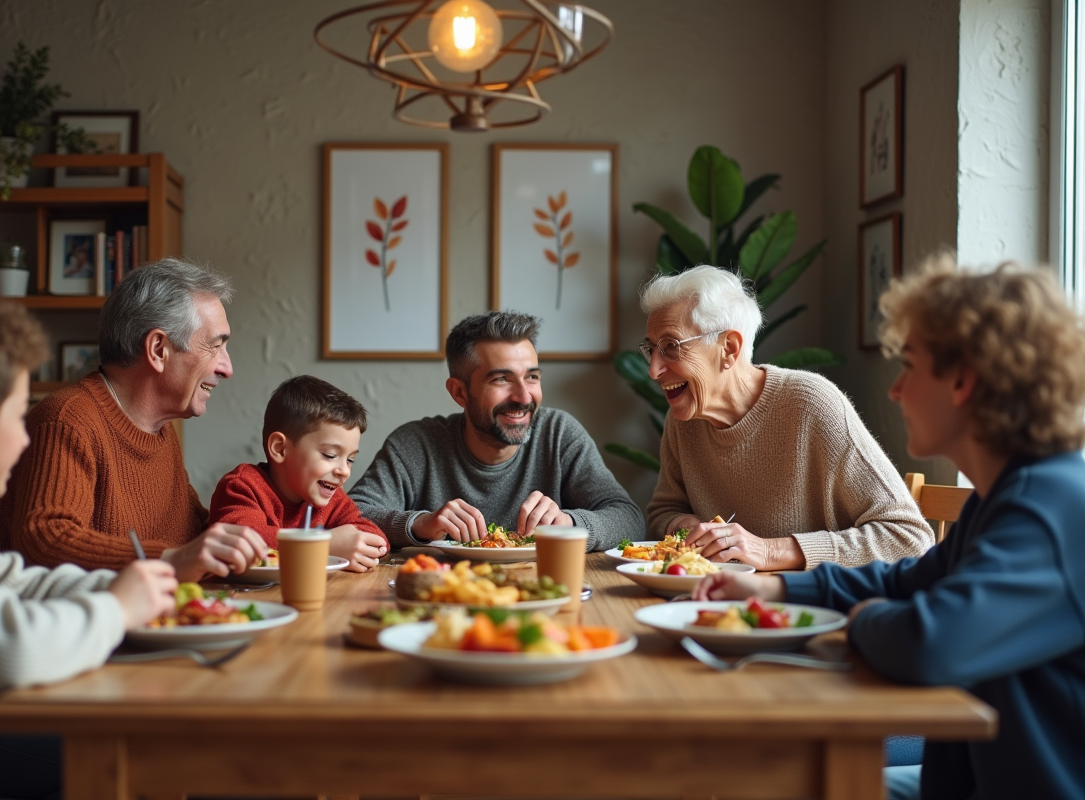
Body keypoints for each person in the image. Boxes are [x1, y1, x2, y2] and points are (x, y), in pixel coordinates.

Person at [696, 256, 1085, 800]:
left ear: (962, 380)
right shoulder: (1006, 495)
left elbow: (930, 644)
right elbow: (910, 580)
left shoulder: (1051, 509)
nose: (896, 390)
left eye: (909, 365)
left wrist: (862, 619)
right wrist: (777, 586)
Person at [0, 291, 178, 800]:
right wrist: (115, 607)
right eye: (19, 416)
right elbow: (7, 646)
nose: (26, 438)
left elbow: (9, 581)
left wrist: (126, 586)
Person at [0, 258, 268, 581]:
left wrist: (292, 533)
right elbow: (45, 539)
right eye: (215, 347)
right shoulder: (66, 421)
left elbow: (194, 532)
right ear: (158, 349)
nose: (226, 368)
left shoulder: (159, 429)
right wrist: (170, 561)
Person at [641, 265, 932, 570]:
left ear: (729, 348)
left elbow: (909, 538)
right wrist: (686, 528)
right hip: (726, 600)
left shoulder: (811, 405)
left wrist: (768, 551)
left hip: (821, 607)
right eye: (651, 350)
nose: (653, 370)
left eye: (671, 347)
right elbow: (663, 512)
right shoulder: (684, 420)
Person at [350, 311, 644, 552]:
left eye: (531, 377)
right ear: (459, 393)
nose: (524, 397)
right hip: (444, 598)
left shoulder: (559, 434)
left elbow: (629, 519)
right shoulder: (415, 444)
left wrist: (569, 523)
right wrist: (420, 524)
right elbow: (350, 516)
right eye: (502, 379)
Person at [208, 375, 389, 572]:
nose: (344, 471)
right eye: (330, 455)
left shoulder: (332, 500)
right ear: (280, 449)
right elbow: (240, 541)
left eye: (350, 459)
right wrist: (323, 545)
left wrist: (351, 544)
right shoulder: (242, 486)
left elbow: (378, 541)